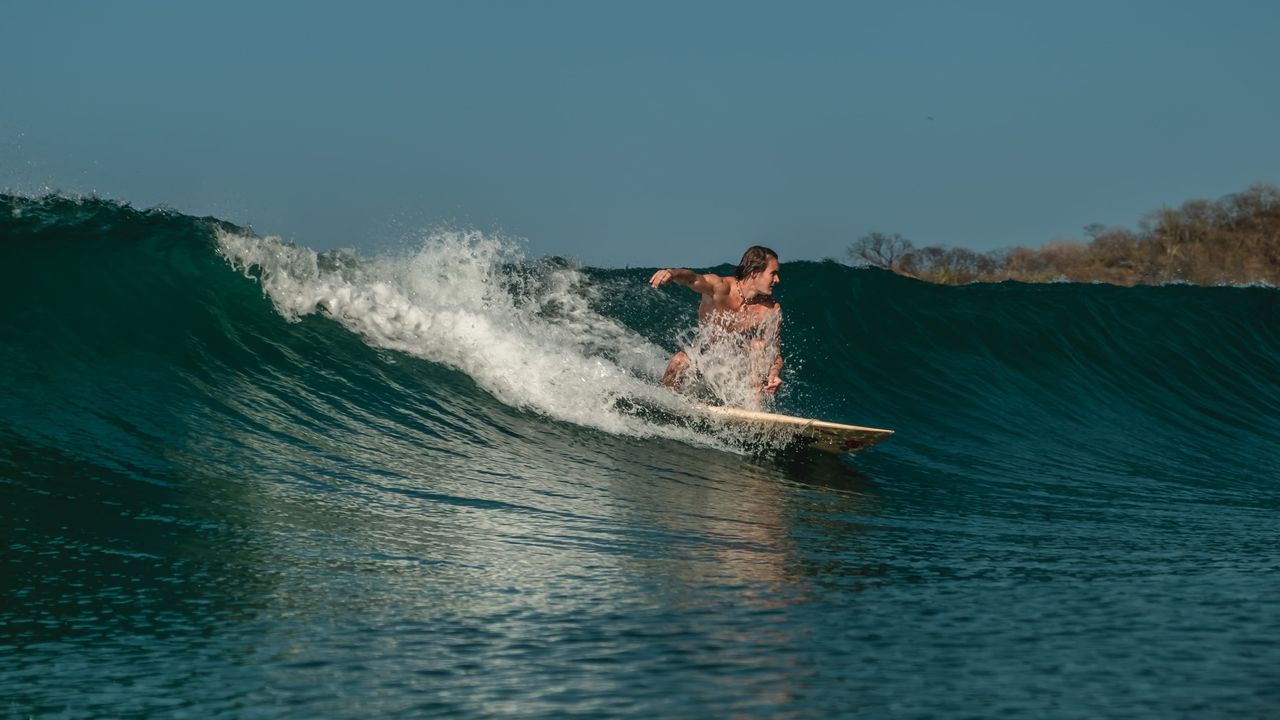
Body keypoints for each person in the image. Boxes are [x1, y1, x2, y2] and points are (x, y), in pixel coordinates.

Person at [648, 245, 783, 399]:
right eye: (773, 274)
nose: (777, 280)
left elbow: (775, 353)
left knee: (758, 346)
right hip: (704, 361)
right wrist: (671, 273)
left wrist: (774, 375)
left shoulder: (771, 309)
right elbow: (692, 279)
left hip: (737, 371)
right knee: (679, 360)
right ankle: (663, 400)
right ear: (754, 273)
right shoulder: (720, 288)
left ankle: (755, 411)